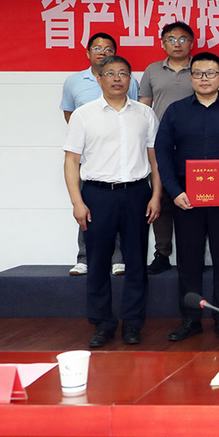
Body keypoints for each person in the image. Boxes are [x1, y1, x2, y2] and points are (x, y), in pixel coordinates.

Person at [62, 55, 161, 348]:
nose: (117, 78)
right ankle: (102, 324)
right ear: (99, 78)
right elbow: (71, 161)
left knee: (136, 261)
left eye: (123, 73)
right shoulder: (83, 115)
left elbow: (155, 160)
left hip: (136, 193)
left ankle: (132, 323)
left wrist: (156, 196)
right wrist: (77, 202)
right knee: (98, 261)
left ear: (130, 79)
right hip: (97, 195)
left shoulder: (145, 114)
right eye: (110, 73)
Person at [154, 52, 219, 342]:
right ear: (190, 77)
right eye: (198, 73)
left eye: (210, 73)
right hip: (186, 197)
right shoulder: (175, 111)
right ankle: (191, 319)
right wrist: (174, 191)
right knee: (188, 260)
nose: (204, 79)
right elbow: (162, 154)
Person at [62, 32, 138, 277]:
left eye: (108, 48)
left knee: (122, 214)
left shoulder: (130, 82)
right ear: (87, 53)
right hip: (91, 161)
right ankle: (85, 258)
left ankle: (118, 260)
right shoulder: (73, 81)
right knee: (87, 212)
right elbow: (70, 116)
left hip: (124, 160)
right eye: (97, 48)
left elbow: (133, 115)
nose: (103, 52)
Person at [138, 21, 195, 275]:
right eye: (171, 39)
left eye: (183, 39)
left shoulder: (200, 69)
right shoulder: (152, 71)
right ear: (163, 43)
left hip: (194, 146)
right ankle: (162, 253)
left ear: (191, 43)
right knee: (161, 198)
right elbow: (144, 108)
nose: (177, 44)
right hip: (160, 145)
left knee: (193, 198)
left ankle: (191, 255)